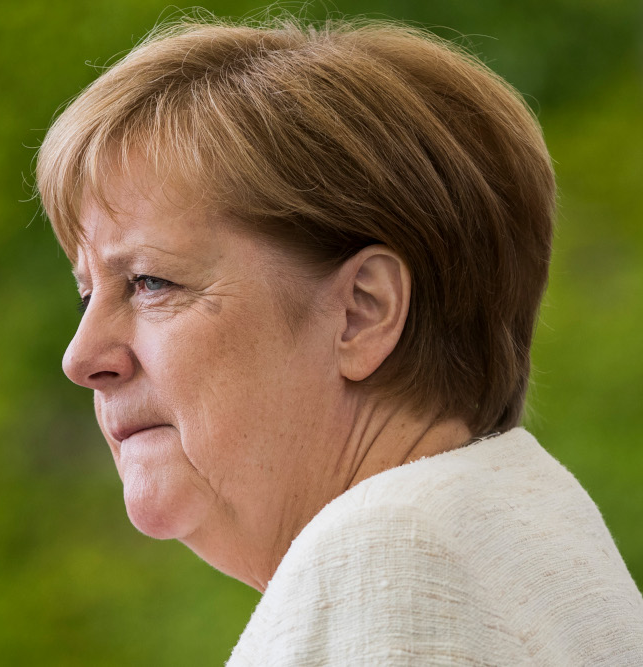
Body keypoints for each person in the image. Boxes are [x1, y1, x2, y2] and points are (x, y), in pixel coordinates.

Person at [36, 14, 643, 664]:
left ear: (362, 312)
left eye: (151, 281)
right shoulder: (513, 539)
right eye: (87, 293)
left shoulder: (391, 554)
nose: (81, 357)